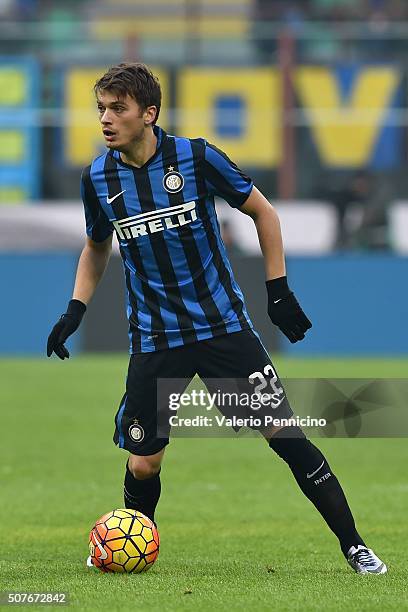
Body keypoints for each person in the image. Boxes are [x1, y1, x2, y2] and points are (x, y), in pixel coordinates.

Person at [47, 62, 386, 574]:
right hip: (156, 339)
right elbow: (96, 247)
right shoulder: (98, 177)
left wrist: (278, 291)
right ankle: (133, 552)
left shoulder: (196, 157)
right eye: (101, 109)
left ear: (149, 113)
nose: (106, 120)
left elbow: (263, 212)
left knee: (285, 436)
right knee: (143, 460)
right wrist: (75, 308)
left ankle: (355, 545)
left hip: (222, 329)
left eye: (118, 109)